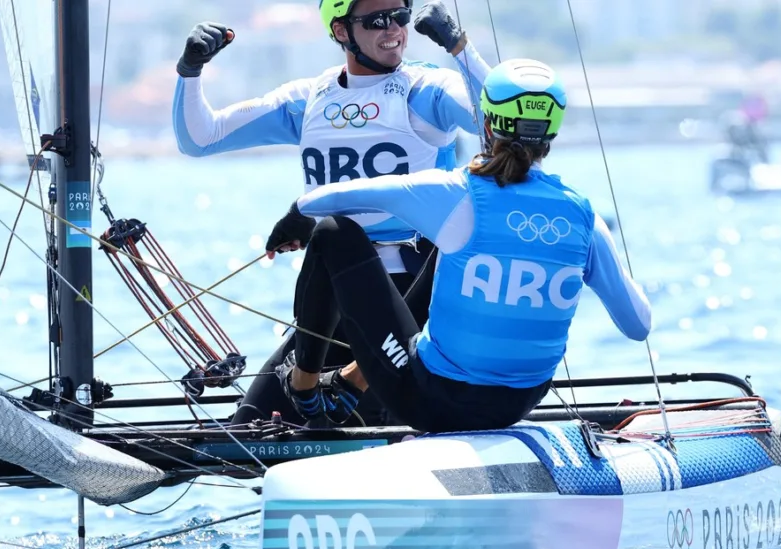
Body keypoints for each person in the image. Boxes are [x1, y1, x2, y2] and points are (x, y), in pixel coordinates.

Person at [262, 58, 653, 433]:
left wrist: (299, 212)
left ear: (486, 123)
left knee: (333, 232)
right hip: (519, 404)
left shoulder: (454, 192)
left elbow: (331, 200)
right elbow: (638, 326)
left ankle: (304, 387)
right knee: (454, 250)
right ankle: (349, 384)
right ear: (553, 132)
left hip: (431, 402)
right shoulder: (585, 216)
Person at [172, 0, 495, 427]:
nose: (393, 29)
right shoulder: (309, 98)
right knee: (246, 428)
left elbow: (499, 122)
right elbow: (200, 137)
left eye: (400, 17)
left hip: (410, 298)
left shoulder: (427, 90)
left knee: (360, 428)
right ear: (341, 31)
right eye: (377, 20)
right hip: (330, 298)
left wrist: (459, 47)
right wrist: (190, 70)